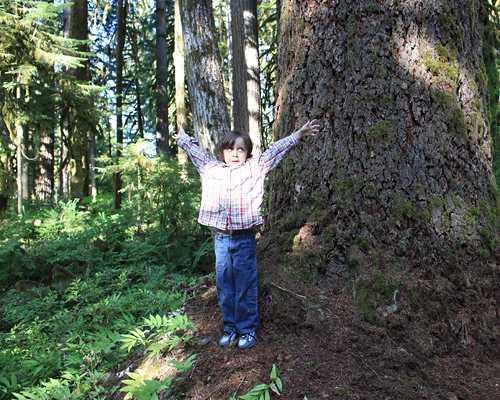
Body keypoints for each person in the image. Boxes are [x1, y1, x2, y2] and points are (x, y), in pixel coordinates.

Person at [173, 120, 320, 349]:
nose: (235, 153)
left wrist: (298, 135)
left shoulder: (255, 168)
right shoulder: (211, 170)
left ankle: (247, 329)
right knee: (224, 285)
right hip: (221, 239)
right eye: (230, 149)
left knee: (245, 285)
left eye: (240, 149)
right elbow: (196, 153)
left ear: (247, 153)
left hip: (244, 239)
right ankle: (230, 328)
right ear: (222, 152)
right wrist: (183, 139)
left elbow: (275, 151)